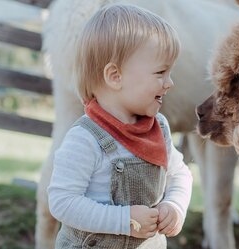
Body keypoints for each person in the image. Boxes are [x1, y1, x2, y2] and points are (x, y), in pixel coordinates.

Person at [47, 3, 193, 248]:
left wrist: (175, 205)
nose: (169, 83)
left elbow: (180, 175)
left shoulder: (159, 129)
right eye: (160, 72)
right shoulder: (85, 138)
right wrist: (122, 220)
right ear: (115, 76)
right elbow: (63, 201)